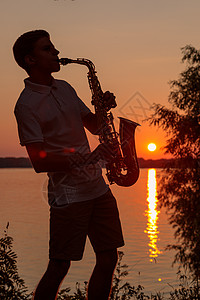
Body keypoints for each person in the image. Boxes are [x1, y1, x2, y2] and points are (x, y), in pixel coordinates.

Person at [13, 30, 124, 300]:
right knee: (60, 265)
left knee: (108, 258)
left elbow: (96, 127)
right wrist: (87, 158)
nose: (56, 52)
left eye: (53, 47)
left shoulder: (65, 87)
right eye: (47, 48)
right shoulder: (26, 105)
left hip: (98, 188)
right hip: (68, 195)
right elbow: (39, 162)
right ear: (30, 59)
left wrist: (103, 108)